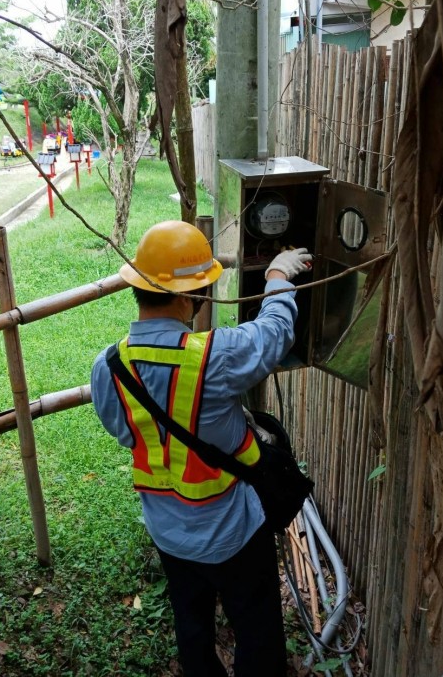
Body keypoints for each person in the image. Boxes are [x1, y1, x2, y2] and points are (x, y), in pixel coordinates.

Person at [90, 220, 312, 677]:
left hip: (168, 532)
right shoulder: (214, 356)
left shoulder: (109, 365)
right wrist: (277, 276)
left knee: (191, 628)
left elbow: (122, 430)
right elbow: (272, 336)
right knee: (257, 632)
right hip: (233, 533)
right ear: (189, 297)